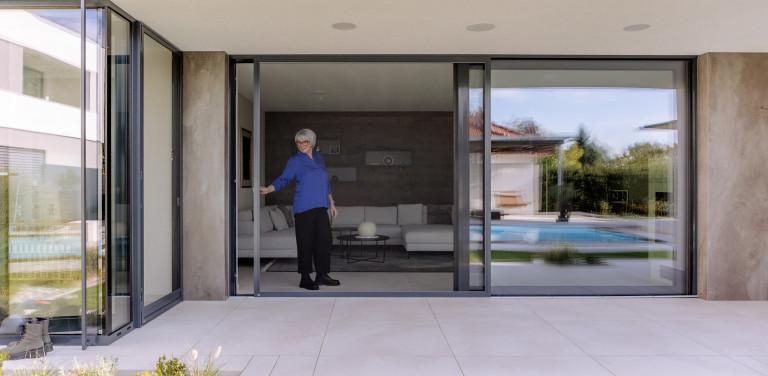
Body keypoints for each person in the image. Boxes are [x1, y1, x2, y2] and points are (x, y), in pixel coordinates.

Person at [259, 129, 340, 290]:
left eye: (305, 141)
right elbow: (285, 178)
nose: (301, 145)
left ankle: (322, 275)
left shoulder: (319, 158)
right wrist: (270, 188)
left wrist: (332, 202)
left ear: (312, 142)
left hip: (321, 207)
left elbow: (326, 183)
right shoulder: (295, 160)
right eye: (298, 142)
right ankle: (305, 278)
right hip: (304, 208)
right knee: (305, 243)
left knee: (324, 241)